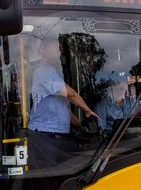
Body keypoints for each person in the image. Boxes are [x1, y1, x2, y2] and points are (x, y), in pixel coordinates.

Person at [27, 38, 98, 166]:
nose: (58, 52)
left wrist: (79, 124)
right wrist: (87, 110)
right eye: (53, 48)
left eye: (58, 48)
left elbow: (59, 105)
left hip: (55, 134)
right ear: (43, 52)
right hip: (45, 134)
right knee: (52, 173)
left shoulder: (54, 72)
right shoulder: (44, 71)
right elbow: (70, 94)